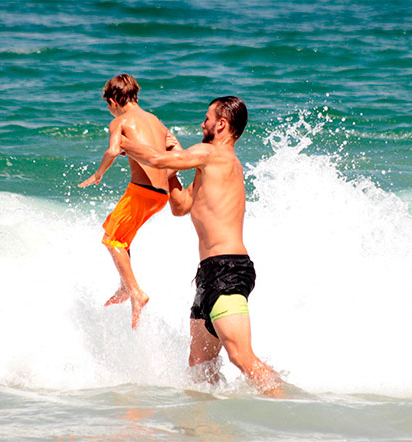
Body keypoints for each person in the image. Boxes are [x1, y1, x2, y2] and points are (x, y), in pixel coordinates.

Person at [120, 96, 282, 395]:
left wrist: (123, 141)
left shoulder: (214, 155)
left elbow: (155, 160)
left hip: (228, 269)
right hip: (209, 274)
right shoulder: (210, 163)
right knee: (199, 367)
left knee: (240, 356)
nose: (202, 123)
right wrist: (174, 162)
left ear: (221, 124)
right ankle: (203, 429)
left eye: (207, 118)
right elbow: (180, 206)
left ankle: (290, 410)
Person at [78, 74, 175, 329]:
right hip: (160, 195)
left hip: (141, 192)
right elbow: (176, 150)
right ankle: (124, 285)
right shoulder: (155, 121)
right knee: (118, 231)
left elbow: (112, 150)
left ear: (112, 101)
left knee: (111, 239)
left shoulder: (120, 121)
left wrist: (98, 175)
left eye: (108, 106)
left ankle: (135, 292)